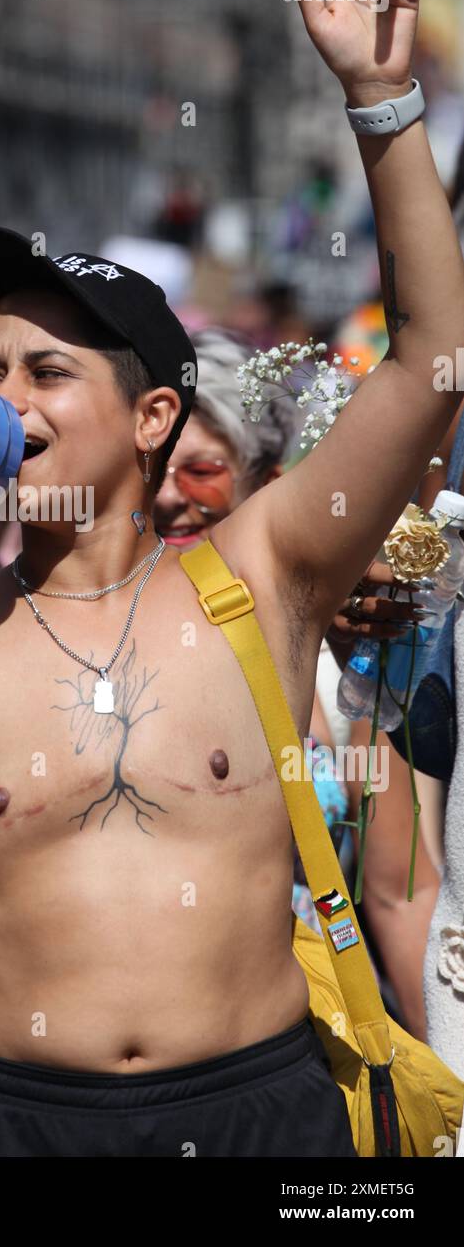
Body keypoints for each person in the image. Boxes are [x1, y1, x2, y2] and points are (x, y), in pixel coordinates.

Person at [0, 0, 461, 1156]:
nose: (5, 402)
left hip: (254, 1113)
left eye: (48, 373)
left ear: (154, 421)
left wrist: (382, 103)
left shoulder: (265, 572)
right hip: (3, 1118)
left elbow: (436, 358)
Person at [153, 328, 440, 1038]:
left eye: (199, 471)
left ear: (267, 486)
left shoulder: (342, 654)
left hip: (313, 1040)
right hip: (157, 1037)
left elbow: (398, 892)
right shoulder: (96, 641)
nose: (167, 497)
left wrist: (444, 1067)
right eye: (152, 469)